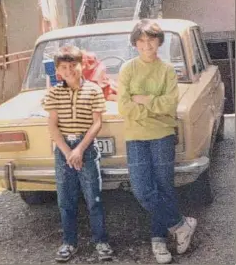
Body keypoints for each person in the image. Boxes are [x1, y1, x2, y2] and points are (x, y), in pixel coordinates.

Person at [117, 20, 197, 264]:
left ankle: (159, 240)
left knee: (164, 188)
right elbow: (123, 106)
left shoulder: (167, 70)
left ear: (159, 41)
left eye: (151, 39)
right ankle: (182, 225)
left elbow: (170, 104)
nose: (146, 45)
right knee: (143, 191)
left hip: (162, 135)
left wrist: (142, 101)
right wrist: (153, 106)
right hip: (136, 137)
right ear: (135, 43)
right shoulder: (128, 69)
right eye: (141, 40)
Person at [42, 45, 113, 263]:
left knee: (94, 198)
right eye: (64, 67)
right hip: (63, 150)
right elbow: (53, 126)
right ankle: (69, 243)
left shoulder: (93, 90)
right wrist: (68, 152)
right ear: (58, 71)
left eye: (73, 65)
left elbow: (97, 122)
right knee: (66, 199)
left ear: (82, 66)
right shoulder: (54, 93)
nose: (69, 70)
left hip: (87, 149)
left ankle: (101, 242)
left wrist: (80, 149)